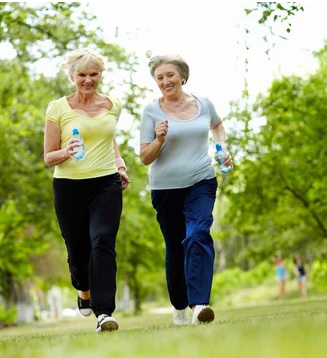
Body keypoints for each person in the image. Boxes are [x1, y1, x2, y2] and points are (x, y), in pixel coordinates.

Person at [139, 54, 233, 325]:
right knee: (175, 248)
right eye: (160, 78)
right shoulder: (151, 111)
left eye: (170, 75)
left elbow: (217, 126)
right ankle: (179, 305)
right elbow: (145, 157)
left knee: (198, 234)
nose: (165, 81)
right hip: (165, 187)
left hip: (201, 180)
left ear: (182, 76)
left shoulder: (204, 104)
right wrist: (159, 139)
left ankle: (200, 305)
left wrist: (222, 147)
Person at [43, 48, 130, 333]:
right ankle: (83, 290)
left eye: (94, 74)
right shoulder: (58, 108)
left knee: (103, 240)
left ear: (101, 75)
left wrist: (120, 165)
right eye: (82, 74)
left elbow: (108, 138)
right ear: (72, 76)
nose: (88, 80)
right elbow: (48, 157)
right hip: (68, 187)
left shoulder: (113, 105)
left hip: (106, 182)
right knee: (78, 252)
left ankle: (104, 312)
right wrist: (66, 151)